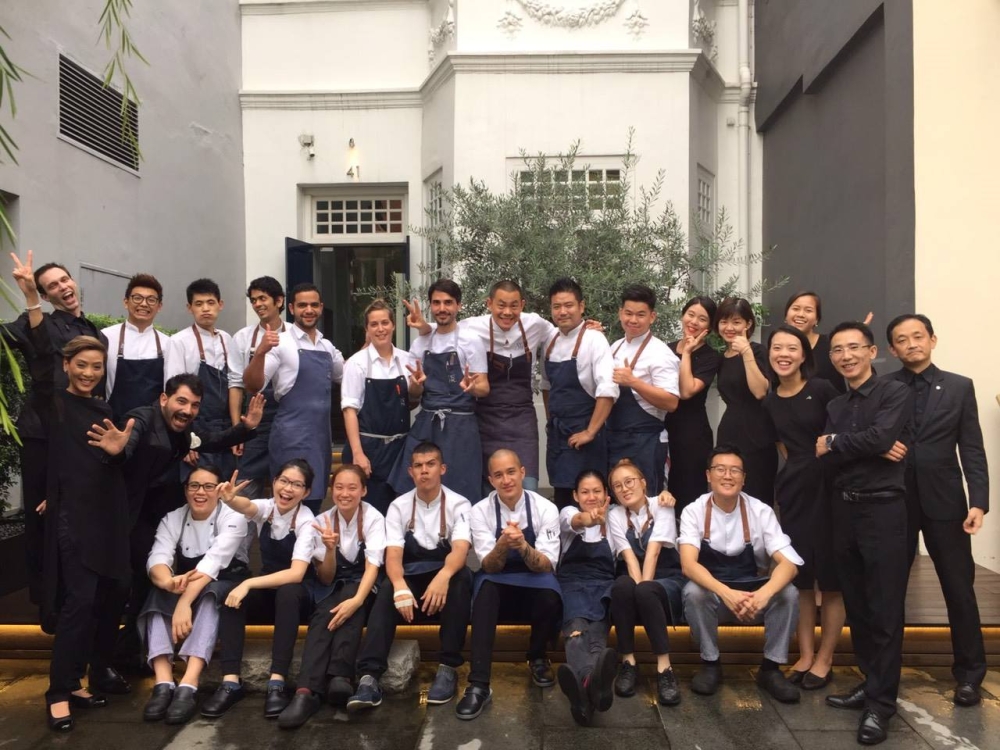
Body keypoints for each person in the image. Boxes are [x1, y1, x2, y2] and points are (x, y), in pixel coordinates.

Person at [10, 255, 130, 732]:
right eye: (81, 366)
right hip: (75, 521)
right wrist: (31, 298)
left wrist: (120, 448)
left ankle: (80, 680)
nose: (88, 373)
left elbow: (105, 462)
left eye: (96, 367)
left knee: (106, 599)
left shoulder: (102, 407)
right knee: (78, 604)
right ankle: (58, 691)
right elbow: (38, 355)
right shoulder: (54, 402)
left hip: (108, 517)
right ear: (67, 365)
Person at [816, 321, 913, 746]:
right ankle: (871, 683)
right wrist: (862, 444)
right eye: (837, 350)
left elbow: (880, 437)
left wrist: (839, 442)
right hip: (844, 510)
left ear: (873, 352)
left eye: (854, 348)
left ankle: (881, 706)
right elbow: (830, 457)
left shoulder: (894, 392)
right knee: (856, 604)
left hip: (884, 512)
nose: (845, 356)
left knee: (885, 610)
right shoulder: (836, 404)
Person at [886, 314, 989, 707]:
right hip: (893, 500)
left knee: (959, 589)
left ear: (932, 340)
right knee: (889, 589)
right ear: (893, 349)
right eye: (902, 339)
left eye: (918, 336)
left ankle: (969, 675)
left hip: (946, 502)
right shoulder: (885, 386)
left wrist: (978, 500)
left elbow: (972, 448)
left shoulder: (960, 387)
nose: (911, 344)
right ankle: (884, 676)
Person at [2, 256, 106, 618]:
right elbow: (40, 347)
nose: (64, 287)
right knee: (44, 517)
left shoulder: (92, 329)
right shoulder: (40, 321)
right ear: (46, 297)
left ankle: (79, 596)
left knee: (78, 512)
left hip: (81, 434)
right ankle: (49, 605)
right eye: (53, 286)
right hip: (44, 435)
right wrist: (30, 296)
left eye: (65, 280)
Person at [347, 441, 473, 711]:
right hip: (411, 573)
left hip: (444, 571)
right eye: (418, 466)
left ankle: (448, 666)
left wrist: (444, 575)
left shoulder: (459, 503)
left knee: (462, 580)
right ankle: (369, 678)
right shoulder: (399, 506)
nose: (424, 471)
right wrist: (400, 586)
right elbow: (393, 555)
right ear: (410, 472)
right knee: (385, 591)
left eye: (430, 465)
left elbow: (460, 550)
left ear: (442, 468)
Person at [406, 280, 558, 492]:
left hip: (522, 420)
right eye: (501, 305)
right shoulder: (473, 326)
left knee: (527, 485)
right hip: (486, 420)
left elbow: (560, 335)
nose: (507, 312)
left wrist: (585, 329)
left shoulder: (535, 324)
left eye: (513, 305)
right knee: (489, 487)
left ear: (522, 305)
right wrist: (423, 326)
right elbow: (444, 326)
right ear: (489, 304)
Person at [679, 445, 802, 704]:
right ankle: (711, 663)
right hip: (716, 595)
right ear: (708, 475)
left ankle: (771, 668)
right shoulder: (694, 510)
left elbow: (789, 564)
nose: (728, 475)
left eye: (735, 470)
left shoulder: (760, 511)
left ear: (744, 478)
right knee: (693, 592)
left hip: (753, 593)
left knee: (788, 593)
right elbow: (688, 565)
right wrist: (726, 593)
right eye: (720, 469)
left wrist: (762, 595)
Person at [762, 325, 844, 690]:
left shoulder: (823, 389)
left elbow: (842, 434)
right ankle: (806, 655)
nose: (783, 354)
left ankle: (826, 659)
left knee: (832, 578)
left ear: (803, 355)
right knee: (801, 575)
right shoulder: (771, 398)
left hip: (829, 486)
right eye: (776, 348)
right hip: (794, 487)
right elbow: (782, 444)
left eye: (791, 348)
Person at [204, 460, 319, 719]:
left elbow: (296, 573)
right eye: (284, 481)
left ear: (307, 492)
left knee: (287, 592)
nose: (288, 489)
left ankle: (277, 682)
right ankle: (231, 681)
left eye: (297, 485)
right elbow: (246, 505)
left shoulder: (307, 521)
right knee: (233, 597)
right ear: (275, 482)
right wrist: (231, 499)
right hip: (269, 587)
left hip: (300, 595)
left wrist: (248, 583)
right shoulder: (267, 508)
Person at [139, 465, 251, 725]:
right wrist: (169, 582)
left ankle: (189, 682)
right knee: (157, 591)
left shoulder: (233, 517)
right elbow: (158, 556)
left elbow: (214, 562)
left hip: (227, 579)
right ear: (186, 490)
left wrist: (184, 603)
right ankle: (164, 680)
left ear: (219, 489)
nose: (201, 492)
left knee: (212, 594)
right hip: (189, 578)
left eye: (208, 487)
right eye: (194, 486)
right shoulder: (174, 517)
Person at [456, 449, 562, 720]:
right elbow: (489, 565)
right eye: (499, 475)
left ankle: (537, 656)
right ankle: (479, 684)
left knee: (550, 594)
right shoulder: (480, 511)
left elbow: (547, 564)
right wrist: (503, 544)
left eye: (511, 472)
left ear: (523, 473)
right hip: (498, 577)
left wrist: (523, 545)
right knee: (484, 594)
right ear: (491, 479)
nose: (506, 480)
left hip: (535, 577)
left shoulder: (545, 508)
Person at [278, 464, 386, 730]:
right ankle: (306, 691)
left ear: (363, 490)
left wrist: (357, 600)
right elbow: (325, 578)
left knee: (349, 595)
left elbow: (373, 566)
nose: (345, 493)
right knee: (324, 611)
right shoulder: (321, 522)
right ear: (331, 490)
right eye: (339, 487)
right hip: (332, 586)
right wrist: (329, 550)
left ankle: (340, 674)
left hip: (365, 587)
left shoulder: (373, 518)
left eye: (352, 487)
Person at [243, 283, 345, 514]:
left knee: (314, 499)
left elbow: (346, 375)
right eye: (302, 305)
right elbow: (252, 384)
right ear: (291, 308)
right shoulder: (281, 343)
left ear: (321, 308)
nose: (308, 310)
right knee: (287, 502)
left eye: (313, 305)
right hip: (290, 437)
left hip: (320, 439)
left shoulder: (327, 347)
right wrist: (259, 353)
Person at [390, 279, 489, 505]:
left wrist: (473, 388)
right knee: (411, 485)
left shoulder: (471, 341)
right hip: (427, 423)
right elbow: (414, 395)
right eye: (436, 303)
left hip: (461, 426)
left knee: (463, 488)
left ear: (458, 306)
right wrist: (416, 384)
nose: (442, 308)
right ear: (430, 306)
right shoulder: (421, 343)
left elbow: (484, 387)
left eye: (448, 303)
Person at [606, 459, 685, 705]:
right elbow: (630, 558)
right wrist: (638, 589)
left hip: (666, 576)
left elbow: (653, 552)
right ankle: (628, 661)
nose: (624, 489)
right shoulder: (615, 515)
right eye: (617, 486)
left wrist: (642, 590)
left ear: (643, 482)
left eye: (629, 482)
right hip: (636, 574)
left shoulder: (662, 505)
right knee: (621, 586)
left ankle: (664, 668)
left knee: (646, 591)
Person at [542, 278, 618, 509]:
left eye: (569, 305)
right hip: (558, 434)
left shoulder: (595, 339)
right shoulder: (549, 339)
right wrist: (550, 420)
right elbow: (546, 386)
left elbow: (608, 390)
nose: (562, 312)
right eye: (557, 307)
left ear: (581, 306)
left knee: (590, 498)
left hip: (586, 436)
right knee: (563, 497)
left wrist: (590, 431)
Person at [554, 469, 620, 725]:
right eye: (585, 492)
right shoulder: (567, 513)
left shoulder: (615, 520)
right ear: (575, 495)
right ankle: (593, 683)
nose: (591, 496)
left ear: (606, 494)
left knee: (597, 633)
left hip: (603, 585)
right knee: (577, 631)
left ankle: (584, 691)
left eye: (596, 491)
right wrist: (591, 519)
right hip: (571, 584)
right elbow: (577, 521)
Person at [342, 299, 417, 514]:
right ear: (367, 329)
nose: (380, 329)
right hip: (369, 450)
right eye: (374, 324)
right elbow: (349, 411)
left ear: (393, 325)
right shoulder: (356, 364)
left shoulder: (407, 360)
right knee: (370, 513)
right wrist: (358, 453)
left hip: (400, 450)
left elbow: (412, 401)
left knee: (400, 511)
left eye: (385, 323)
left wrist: (418, 388)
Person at [606, 284, 679, 493]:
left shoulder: (660, 353)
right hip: (614, 438)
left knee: (648, 502)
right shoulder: (615, 347)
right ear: (620, 313)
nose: (633, 320)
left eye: (640, 315)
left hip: (646, 441)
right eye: (628, 313)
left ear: (652, 317)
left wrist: (634, 382)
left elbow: (671, 402)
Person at [164, 278, 241, 476]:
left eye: (210, 302)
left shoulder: (227, 339)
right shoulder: (178, 341)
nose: (205, 309)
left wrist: (236, 431)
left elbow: (235, 383)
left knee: (225, 487)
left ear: (220, 305)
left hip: (224, 428)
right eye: (198, 304)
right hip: (195, 427)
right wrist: (185, 440)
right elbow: (174, 396)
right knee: (199, 487)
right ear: (189, 308)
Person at [714, 297, 776, 505]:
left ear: (748, 324)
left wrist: (747, 352)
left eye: (736, 322)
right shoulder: (722, 357)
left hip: (757, 432)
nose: (729, 327)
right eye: (724, 322)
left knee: (757, 496)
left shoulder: (758, 351)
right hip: (729, 430)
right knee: (727, 494)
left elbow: (760, 391)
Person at [230, 276, 287, 499]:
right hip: (254, 421)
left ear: (279, 301)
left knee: (284, 481)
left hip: (285, 418)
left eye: (262, 298)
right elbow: (235, 385)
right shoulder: (243, 338)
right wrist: (237, 431)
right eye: (253, 300)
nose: (257, 305)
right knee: (246, 485)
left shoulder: (294, 335)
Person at [664, 296, 722, 514]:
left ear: (710, 326)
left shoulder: (710, 357)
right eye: (691, 314)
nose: (694, 322)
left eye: (702, 319)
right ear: (682, 315)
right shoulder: (664, 349)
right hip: (662, 427)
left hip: (692, 433)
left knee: (688, 493)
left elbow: (687, 391)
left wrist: (687, 352)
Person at [101, 273, 169, 423]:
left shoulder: (168, 344)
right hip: (113, 423)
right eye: (137, 298)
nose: (144, 304)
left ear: (159, 306)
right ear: (126, 302)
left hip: (154, 428)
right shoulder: (105, 337)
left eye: (151, 300)